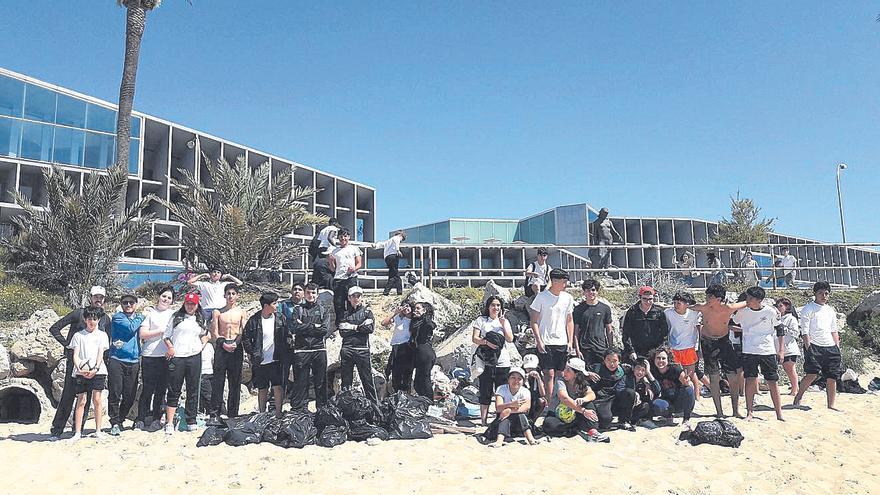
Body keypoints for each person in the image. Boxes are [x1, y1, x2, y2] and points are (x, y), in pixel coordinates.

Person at [48, 285, 111, 440]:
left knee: (88, 398)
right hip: (75, 363)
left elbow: (106, 343)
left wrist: (102, 364)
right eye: (96, 296)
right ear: (90, 297)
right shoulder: (78, 313)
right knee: (68, 395)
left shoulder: (105, 318)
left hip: (94, 366)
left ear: (104, 299)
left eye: (101, 297)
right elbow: (55, 328)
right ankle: (57, 430)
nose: (98, 299)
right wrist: (68, 345)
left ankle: (78, 430)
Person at [690, 284, 747, 418]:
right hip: (708, 342)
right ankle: (719, 411)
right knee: (714, 377)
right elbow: (687, 307)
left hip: (724, 341)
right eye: (707, 295)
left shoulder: (729, 308)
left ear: (719, 298)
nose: (707, 298)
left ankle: (735, 410)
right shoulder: (704, 307)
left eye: (710, 296)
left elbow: (747, 301)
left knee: (733, 377)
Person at [733, 286, 785, 421]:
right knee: (750, 380)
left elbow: (779, 329)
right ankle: (750, 412)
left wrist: (781, 350)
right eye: (747, 297)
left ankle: (779, 413)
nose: (747, 300)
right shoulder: (742, 311)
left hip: (767, 350)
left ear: (759, 300)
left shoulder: (771, 311)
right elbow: (732, 323)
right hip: (749, 350)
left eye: (750, 298)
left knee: (772, 381)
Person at [163, 292, 210, 434]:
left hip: (194, 356)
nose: (190, 306)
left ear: (197, 305)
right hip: (178, 357)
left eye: (193, 304)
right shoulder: (176, 317)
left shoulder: (200, 318)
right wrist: (171, 347)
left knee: (193, 389)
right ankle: (169, 422)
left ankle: (191, 419)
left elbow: (205, 334)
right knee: (174, 389)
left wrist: (202, 344)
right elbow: (166, 336)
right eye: (188, 303)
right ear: (184, 304)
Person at [793, 281, 842, 410]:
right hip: (814, 346)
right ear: (815, 293)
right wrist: (808, 348)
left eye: (826, 293)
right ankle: (798, 396)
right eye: (820, 293)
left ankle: (831, 404)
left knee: (832, 376)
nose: (823, 296)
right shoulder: (808, 309)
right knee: (812, 374)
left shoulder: (830, 310)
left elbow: (834, 329)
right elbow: (805, 331)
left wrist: (836, 346)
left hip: (830, 347)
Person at [529, 268, 575, 404]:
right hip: (546, 341)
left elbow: (569, 320)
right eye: (562, 281)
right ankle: (550, 403)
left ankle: (562, 401)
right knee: (549, 374)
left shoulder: (568, 298)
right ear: (554, 281)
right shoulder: (541, 297)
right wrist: (538, 340)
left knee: (561, 374)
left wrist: (570, 341)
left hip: (562, 341)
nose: (565, 284)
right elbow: (534, 321)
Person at [66, 306, 110, 441]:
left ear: (99, 320)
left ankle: (98, 430)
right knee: (81, 400)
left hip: (98, 371)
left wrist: (95, 369)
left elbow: (100, 354)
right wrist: (80, 369)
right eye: (89, 318)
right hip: (81, 372)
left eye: (95, 319)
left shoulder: (102, 335)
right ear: (85, 319)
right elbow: (76, 354)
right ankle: (78, 432)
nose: (92, 321)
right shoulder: (78, 335)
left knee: (97, 400)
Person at [542, 357, 609, 442]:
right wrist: (583, 411)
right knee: (549, 424)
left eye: (568, 370)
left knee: (589, 404)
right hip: (557, 414)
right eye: (565, 368)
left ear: (576, 373)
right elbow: (564, 398)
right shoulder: (560, 380)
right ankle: (574, 429)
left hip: (574, 414)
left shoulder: (581, 382)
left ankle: (594, 432)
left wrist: (584, 399)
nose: (564, 372)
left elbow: (591, 394)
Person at [136, 286, 175, 431]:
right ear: (159, 297)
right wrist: (161, 331)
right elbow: (143, 334)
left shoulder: (173, 314)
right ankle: (140, 418)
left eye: (169, 298)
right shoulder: (150, 313)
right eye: (164, 296)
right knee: (147, 389)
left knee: (161, 390)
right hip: (149, 356)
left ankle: (156, 418)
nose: (166, 299)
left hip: (165, 356)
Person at [288, 283, 332, 411]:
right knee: (301, 383)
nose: (310, 295)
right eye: (308, 292)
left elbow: (324, 330)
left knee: (321, 382)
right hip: (302, 350)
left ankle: (322, 410)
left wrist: (305, 326)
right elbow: (295, 328)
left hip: (319, 349)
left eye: (313, 293)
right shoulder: (298, 309)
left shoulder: (324, 310)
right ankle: (300, 411)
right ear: (304, 294)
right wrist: (314, 326)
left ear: (317, 295)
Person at [242, 292, 287, 417]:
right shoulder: (254, 320)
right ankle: (262, 414)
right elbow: (246, 338)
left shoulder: (280, 318)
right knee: (262, 388)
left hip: (276, 359)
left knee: (278, 386)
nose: (277, 306)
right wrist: (252, 353)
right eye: (274, 303)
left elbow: (286, 335)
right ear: (266, 305)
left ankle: (278, 413)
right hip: (260, 360)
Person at [472, 295, 514, 425]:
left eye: (498, 305)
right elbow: (475, 338)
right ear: (488, 307)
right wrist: (486, 342)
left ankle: (499, 418)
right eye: (493, 305)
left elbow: (510, 339)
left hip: (502, 360)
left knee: (501, 390)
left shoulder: (504, 321)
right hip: (487, 359)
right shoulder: (481, 320)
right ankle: (483, 420)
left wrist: (503, 324)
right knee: (485, 390)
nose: (495, 308)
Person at [107, 293, 145, 436]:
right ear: (121, 304)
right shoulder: (118, 317)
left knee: (130, 395)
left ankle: (121, 419)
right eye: (125, 302)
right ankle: (114, 422)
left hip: (134, 361)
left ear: (136, 304)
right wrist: (141, 317)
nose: (128, 305)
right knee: (115, 392)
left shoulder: (138, 318)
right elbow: (130, 328)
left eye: (131, 302)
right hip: (117, 359)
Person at [209, 283, 247, 420]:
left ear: (237, 296)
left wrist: (236, 343)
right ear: (224, 295)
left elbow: (243, 331)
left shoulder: (241, 312)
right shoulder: (218, 312)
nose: (230, 296)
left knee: (235, 382)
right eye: (228, 293)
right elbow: (214, 332)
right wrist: (223, 344)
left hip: (236, 347)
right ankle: (214, 413)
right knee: (218, 381)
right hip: (222, 346)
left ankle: (233, 413)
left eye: (233, 293)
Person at [337, 286, 379, 406]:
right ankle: (346, 407)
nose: (356, 298)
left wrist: (351, 327)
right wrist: (359, 327)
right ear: (349, 298)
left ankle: (374, 408)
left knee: (367, 381)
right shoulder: (344, 314)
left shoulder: (367, 312)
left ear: (362, 298)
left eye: (358, 296)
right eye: (353, 296)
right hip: (347, 350)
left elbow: (369, 328)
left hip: (362, 350)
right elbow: (342, 331)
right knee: (346, 382)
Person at [484, 368, 538, 447]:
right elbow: (498, 408)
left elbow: (526, 408)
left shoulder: (525, 391)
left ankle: (531, 439)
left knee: (521, 415)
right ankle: (499, 441)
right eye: (513, 378)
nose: (516, 381)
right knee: (505, 418)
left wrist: (509, 410)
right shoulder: (501, 389)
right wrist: (511, 404)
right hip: (503, 418)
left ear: (523, 381)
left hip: (517, 420)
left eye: (519, 379)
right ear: (508, 379)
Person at [585, 349, 636, 431]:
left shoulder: (623, 369)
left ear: (619, 361)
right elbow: (578, 371)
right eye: (608, 360)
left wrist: (647, 382)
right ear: (604, 360)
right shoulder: (596, 368)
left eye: (615, 361)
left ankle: (624, 421)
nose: (611, 363)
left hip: (616, 398)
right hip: (602, 400)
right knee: (605, 421)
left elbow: (639, 370)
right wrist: (587, 374)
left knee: (630, 393)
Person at [663, 292, 701, 398]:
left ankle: (696, 396)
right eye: (674, 302)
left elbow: (703, 306)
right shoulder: (668, 313)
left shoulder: (694, 313)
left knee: (692, 373)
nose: (676, 305)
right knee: (675, 373)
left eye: (679, 303)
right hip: (673, 347)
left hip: (688, 347)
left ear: (686, 304)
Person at [649, 347, 696, 426]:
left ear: (668, 359)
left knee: (689, 390)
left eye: (663, 358)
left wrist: (687, 381)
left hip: (678, 401)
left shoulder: (675, 369)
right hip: (665, 401)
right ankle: (668, 416)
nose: (661, 361)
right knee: (656, 404)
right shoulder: (652, 371)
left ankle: (686, 419)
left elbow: (687, 382)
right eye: (658, 358)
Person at [621, 286, 669, 364]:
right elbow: (626, 333)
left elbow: (664, 333)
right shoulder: (632, 312)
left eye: (650, 299)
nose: (647, 301)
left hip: (654, 352)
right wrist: (631, 351)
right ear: (640, 298)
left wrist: (660, 350)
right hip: (636, 351)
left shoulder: (659, 312)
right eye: (644, 299)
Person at [573, 278, 615, 366]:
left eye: (593, 290)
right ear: (584, 292)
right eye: (588, 290)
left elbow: (609, 329)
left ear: (597, 291)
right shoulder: (578, 309)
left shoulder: (605, 308)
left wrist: (610, 349)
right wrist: (577, 349)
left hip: (601, 347)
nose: (591, 292)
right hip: (585, 347)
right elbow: (576, 331)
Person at [277, 283, 305, 400]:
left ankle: (298, 401)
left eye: (300, 289)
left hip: (302, 343)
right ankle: (278, 401)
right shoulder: (283, 305)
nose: (297, 291)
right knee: (283, 371)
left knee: (300, 372)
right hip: (286, 342)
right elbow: (278, 320)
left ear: (303, 293)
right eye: (295, 289)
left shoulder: (306, 306)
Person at [328, 228, 363, 321]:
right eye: (341, 236)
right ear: (338, 238)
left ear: (349, 237)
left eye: (345, 236)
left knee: (352, 300)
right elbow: (332, 269)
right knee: (338, 302)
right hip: (339, 279)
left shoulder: (354, 248)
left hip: (351, 278)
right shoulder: (334, 251)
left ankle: (353, 320)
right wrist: (331, 261)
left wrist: (353, 269)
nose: (343, 238)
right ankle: (340, 322)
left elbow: (359, 263)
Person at [382, 301, 415, 392]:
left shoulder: (414, 321)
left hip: (406, 348)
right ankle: (396, 392)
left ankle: (405, 392)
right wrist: (395, 313)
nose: (406, 308)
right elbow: (384, 323)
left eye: (408, 306)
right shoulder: (399, 318)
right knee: (394, 371)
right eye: (404, 306)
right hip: (396, 347)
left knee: (405, 373)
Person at [410, 301, 437, 399]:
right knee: (417, 382)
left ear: (424, 310)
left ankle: (429, 401)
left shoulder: (426, 322)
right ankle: (424, 401)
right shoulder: (416, 322)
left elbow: (431, 325)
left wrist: (424, 316)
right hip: (419, 354)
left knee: (425, 379)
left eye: (418, 308)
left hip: (426, 353)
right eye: (415, 308)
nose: (415, 311)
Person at [775, 297, 801, 396]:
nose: (778, 308)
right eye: (777, 306)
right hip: (777, 348)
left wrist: (784, 329)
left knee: (790, 368)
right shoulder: (776, 318)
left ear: (787, 306)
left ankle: (795, 389)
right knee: (785, 369)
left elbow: (795, 333)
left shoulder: (791, 318)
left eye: (780, 306)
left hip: (789, 348)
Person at [627, 359, 661, 425]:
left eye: (643, 370)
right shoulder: (628, 377)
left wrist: (648, 372)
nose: (640, 372)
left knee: (649, 398)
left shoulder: (645, 381)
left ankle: (644, 419)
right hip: (626, 407)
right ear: (633, 368)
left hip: (638, 408)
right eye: (638, 369)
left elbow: (658, 390)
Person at [375, 230, 407, 296]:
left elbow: (381, 244)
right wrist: (398, 250)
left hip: (387, 258)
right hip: (393, 256)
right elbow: (397, 241)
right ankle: (398, 292)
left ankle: (387, 291)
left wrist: (375, 246)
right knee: (395, 274)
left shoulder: (389, 241)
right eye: (402, 239)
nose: (401, 241)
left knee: (392, 275)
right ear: (401, 235)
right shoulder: (396, 238)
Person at [591, 207, 622, 272]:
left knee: (607, 256)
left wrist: (618, 236)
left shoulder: (609, 222)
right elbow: (594, 234)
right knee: (600, 255)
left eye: (606, 214)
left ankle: (606, 271)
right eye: (604, 213)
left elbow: (613, 231)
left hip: (609, 240)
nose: (605, 215)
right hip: (601, 240)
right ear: (601, 213)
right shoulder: (596, 222)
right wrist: (594, 242)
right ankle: (598, 270)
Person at [521, 354, 546, 422]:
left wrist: (538, 379)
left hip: (534, 398)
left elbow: (543, 394)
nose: (530, 370)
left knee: (542, 401)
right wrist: (524, 381)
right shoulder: (520, 374)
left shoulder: (539, 374)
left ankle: (532, 421)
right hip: (523, 398)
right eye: (528, 368)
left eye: (532, 368)